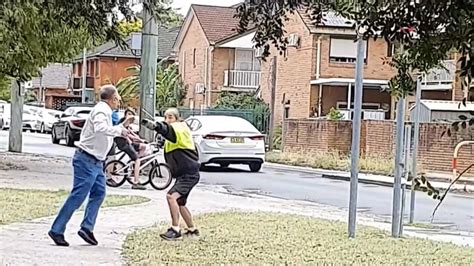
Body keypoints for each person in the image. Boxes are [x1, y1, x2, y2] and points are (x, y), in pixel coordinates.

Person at [48, 85, 134, 247]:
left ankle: (87, 228)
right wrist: (120, 130)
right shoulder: (102, 111)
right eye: (118, 98)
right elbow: (101, 129)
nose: (119, 101)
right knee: (78, 196)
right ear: (113, 99)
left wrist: (124, 131)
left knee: (99, 192)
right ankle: (57, 229)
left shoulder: (106, 111)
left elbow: (111, 131)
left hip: (96, 161)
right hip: (86, 159)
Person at [141, 108, 200, 240]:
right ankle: (192, 229)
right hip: (184, 174)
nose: (168, 120)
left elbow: (167, 130)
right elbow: (168, 136)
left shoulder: (179, 128)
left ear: (177, 119)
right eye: (166, 117)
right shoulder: (177, 133)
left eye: (171, 117)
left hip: (189, 174)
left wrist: (155, 126)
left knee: (171, 196)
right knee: (180, 202)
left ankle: (175, 229)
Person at [113, 108, 147, 190]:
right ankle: (135, 182)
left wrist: (140, 139)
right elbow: (127, 135)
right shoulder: (123, 122)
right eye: (128, 114)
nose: (130, 116)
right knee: (137, 160)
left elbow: (131, 133)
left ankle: (135, 166)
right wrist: (134, 140)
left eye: (131, 114)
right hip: (123, 144)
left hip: (126, 143)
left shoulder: (126, 123)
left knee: (143, 147)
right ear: (125, 114)